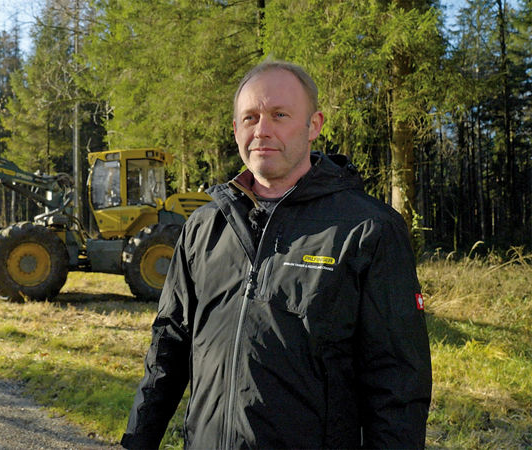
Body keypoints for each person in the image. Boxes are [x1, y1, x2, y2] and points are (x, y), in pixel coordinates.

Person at [120, 60, 433, 449]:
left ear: (313, 125)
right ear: (235, 129)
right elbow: (168, 346)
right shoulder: (204, 226)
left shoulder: (368, 229)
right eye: (250, 118)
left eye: (279, 115)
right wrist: (137, 441)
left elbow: (398, 383)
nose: (262, 130)